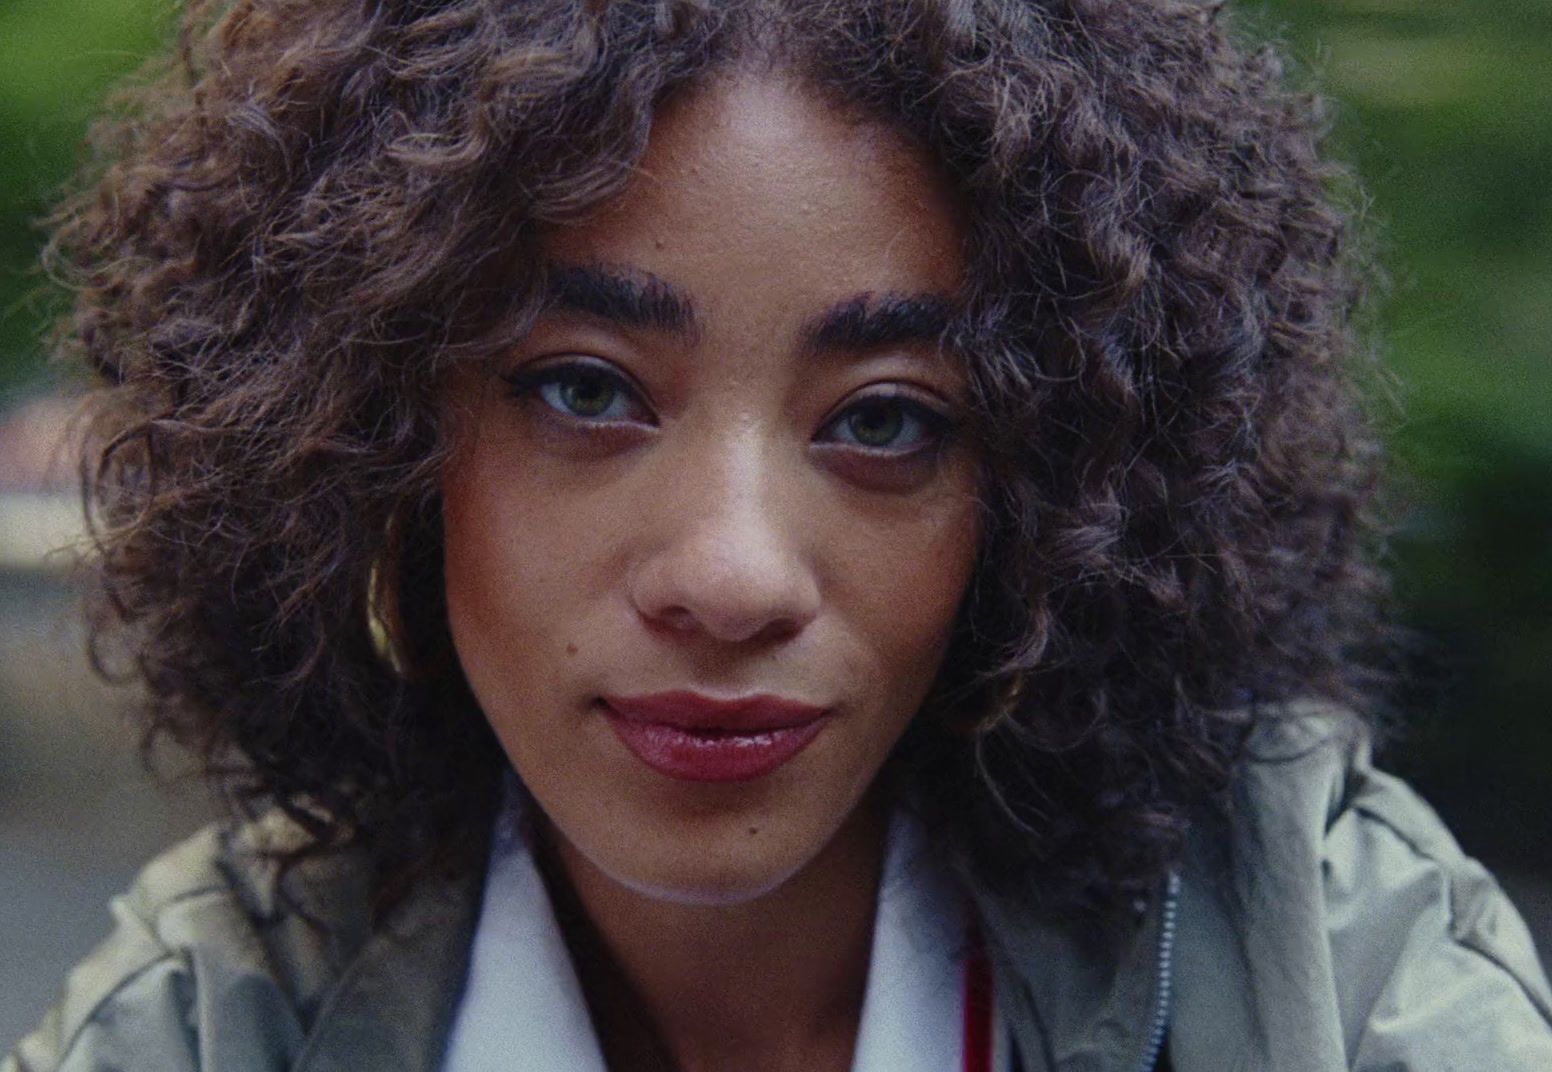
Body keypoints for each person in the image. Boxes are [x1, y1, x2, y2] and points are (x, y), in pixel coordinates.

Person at [8, 0, 1552, 1069]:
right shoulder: (211, 1020)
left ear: (1052, 495)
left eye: (887, 419)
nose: (733, 575)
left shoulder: (1330, 968)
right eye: (583, 390)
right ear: (368, 441)